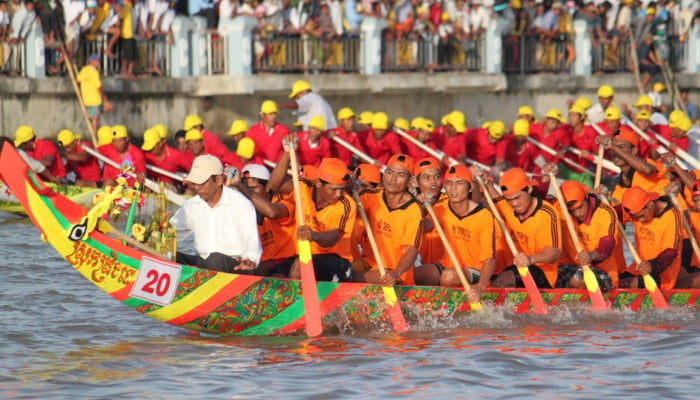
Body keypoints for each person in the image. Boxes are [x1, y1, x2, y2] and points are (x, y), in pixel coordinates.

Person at [268, 149, 357, 282]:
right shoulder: (303, 186)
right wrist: (287, 152)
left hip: (335, 259)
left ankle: (301, 302)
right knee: (276, 278)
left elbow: (333, 236)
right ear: (319, 183)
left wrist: (314, 235)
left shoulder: (346, 204)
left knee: (299, 268)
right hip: (303, 253)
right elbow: (275, 185)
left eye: (342, 189)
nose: (339, 194)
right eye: (334, 189)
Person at [414, 165, 496, 301]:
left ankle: (439, 304)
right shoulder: (441, 208)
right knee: (411, 276)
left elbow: (490, 259)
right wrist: (418, 207)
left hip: (475, 271)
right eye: (449, 184)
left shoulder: (484, 215)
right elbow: (422, 227)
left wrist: (481, 286)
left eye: (459, 184)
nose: (453, 188)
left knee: (449, 277)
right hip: (447, 265)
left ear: (470, 188)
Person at [171, 155, 261, 273]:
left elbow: (251, 239)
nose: (197, 187)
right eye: (195, 183)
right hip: (204, 261)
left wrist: (250, 259)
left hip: (235, 266)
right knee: (170, 255)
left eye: (202, 183)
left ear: (218, 180)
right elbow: (173, 230)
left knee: (215, 259)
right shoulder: (191, 206)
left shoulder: (241, 204)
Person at [482, 167, 562, 289]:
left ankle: (490, 306)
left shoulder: (548, 213)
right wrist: (486, 184)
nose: (514, 204)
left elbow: (554, 253)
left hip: (541, 272)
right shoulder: (506, 206)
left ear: (529, 189)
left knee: (504, 279)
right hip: (510, 268)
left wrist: (530, 259)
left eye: (517, 198)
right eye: (509, 200)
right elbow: (490, 201)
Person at [355, 153, 423, 286]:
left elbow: (412, 250)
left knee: (344, 274)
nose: (393, 178)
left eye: (401, 175)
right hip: (367, 266)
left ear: (410, 182)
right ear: (384, 174)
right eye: (390, 172)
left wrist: (396, 273)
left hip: (395, 275)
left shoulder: (413, 210)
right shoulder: (369, 196)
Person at [228, 163, 296, 276]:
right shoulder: (243, 209)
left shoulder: (284, 202)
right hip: (257, 265)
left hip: (285, 263)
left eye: (253, 188)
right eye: (245, 189)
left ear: (268, 187)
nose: (247, 193)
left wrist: (241, 186)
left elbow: (272, 212)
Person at [557, 180, 623, 289]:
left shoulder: (605, 213)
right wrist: (545, 180)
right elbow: (536, 200)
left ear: (587, 198)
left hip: (603, 272)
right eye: (573, 211)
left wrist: (591, 255)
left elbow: (607, 245)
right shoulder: (561, 207)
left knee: (577, 280)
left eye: (580, 207)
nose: (578, 213)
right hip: (569, 267)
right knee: (544, 276)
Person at [619, 186, 682, 290]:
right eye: (636, 217)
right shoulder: (636, 210)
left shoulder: (672, 215)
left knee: (623, 284)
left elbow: (671, 252)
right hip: (637, 268)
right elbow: (613, 212)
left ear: (650, 204)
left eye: (642, 215)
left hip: (662, 274)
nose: (640, 220)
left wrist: (651, 265)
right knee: (612, 281)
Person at [77, 53, 111, 136]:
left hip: (87, 98)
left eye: (98, 60)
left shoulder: (85, 70)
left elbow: (78, 79)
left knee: (97, 114)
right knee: (95, 118)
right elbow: (99, 87)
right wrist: (105, 99)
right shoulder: (94, 72)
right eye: (97, 61)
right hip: (95, 99)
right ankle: (94, 136)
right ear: (91, 61)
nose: (98, 62)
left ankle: (91, 117)